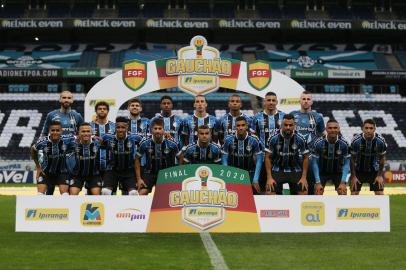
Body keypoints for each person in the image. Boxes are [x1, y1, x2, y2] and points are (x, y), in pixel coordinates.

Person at [41, 90, 83, 195]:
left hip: (70, 155)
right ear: (60, 99)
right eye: (64, 97)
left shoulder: (77, 116)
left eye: (69, 98)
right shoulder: (51, 115)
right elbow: (44, 133)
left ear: (72, 100)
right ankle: (46, 209)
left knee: (67, 187)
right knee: (49, 187)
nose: (66, 100)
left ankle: (68, 209)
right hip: (53, 154)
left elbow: (82, 133)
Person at [265, 114, 309, 195]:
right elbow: (267, 157)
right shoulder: (273, 137)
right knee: (270, 191)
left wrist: (303, 178)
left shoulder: (301, 138)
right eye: (285, 125)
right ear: (282, 125)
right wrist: (269, 177)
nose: (288, 127)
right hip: (277, 170)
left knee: (303, 191)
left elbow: (306, 157)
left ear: (294, 125)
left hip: (295, 170)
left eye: (290, 125)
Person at [290, 90, 325, 195]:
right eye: (303, 99)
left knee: (311, 187)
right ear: (300, 101)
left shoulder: (317, 117)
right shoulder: (292, 115)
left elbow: (324, 134)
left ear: (312, 102)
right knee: (295, 188)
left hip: (311, 158)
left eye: (308, 99)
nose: (306, 101)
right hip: (294, 157)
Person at [251, 91, 284, 192]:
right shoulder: (257, 117)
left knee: (276, 189)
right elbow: (253, 137)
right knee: (260, 187)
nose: (271, 102)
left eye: (273, 100)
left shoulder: (283, 117)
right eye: (268, 100)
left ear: (277, 102)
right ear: (264, 102)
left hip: (278, 159)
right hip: (261, 159)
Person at [135, 118, 179, 195]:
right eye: (155, 128)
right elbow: (137, 159)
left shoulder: (172, 144)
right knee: (142, 193)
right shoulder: (144, 143)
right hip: (149, 173)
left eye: (160, 128)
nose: (158, 131)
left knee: (163, 195)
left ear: (163, 130)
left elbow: (179, 160)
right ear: (151, 130)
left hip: (165, 174)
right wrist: (139, 179)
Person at [101, 117, 143, 196]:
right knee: (105, 192)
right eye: (118, 127)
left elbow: (147, 142)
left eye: (123, 127)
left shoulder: (135, 138)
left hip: (129, 171)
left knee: (133, 193)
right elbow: (96, 142)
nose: (120, 130)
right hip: (112, 170)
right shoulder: (107, 138)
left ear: (127, 127)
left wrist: (165, 135)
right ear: (115, 127)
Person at [222, 116, 263, 194]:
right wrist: (226, 176)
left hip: (249, 172)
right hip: (233, 173)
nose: (240, 128)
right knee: (233, 196)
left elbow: (259, 160)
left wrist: (255, 179)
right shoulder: (228, 139)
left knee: (253, 195)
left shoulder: (254, 139)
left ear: (247, 126)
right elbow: (224, 159)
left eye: (243, 125)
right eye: (238, 125)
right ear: (235, 127)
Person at [31, 121, 71, 195]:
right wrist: (38, 167)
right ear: (49, 131)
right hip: (45, 172)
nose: (55, 132)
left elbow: (81, 137)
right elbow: (33, 149)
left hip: (62, 172)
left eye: (57, 130)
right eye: (53, 130)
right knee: (40, 195)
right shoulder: (42, 142)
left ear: (61, 131)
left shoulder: (67, 140)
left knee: (65, 195)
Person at [311, 119, 350, 195]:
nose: (333, 130)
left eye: (335, 128)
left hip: (338, 172)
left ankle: (342, 207)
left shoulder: (344, 144)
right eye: (330, 128)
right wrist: (317, 181)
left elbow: (347, 163)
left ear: (339, 129)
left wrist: (343, 181)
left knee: (342, 191)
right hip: (322, 172)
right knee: (318, 191)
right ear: (326, 129)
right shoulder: (318, 143)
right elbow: (314, 163)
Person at [350, 119, 387, 195]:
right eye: (366, 128)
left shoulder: (380, 141)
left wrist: (379, 175)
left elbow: (382, 158)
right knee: (354, 194)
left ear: (374, 129)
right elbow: (352, 159)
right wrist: (353, 176)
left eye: (371, 128)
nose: (368, 130)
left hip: (375, 172)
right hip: (358, 171)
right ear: (362, 129)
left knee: (380, 194)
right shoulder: (356, 141)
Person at [66, 123, 103, 195]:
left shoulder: (98, 143)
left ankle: (89, 192)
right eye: (83, 131)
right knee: (72, 195)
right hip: (77, 175)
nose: (86, 133)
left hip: (94, 175)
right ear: (78, 133)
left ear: (91, 133)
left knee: (97, 196)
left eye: (88, 131)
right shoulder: (73, 144)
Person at [90, 101, 116, 193]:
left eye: (104, 109)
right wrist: (92, 137)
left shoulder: (114, 126)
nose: (102, 111)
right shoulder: (89, 126)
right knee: (92, 194)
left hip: (110, 165)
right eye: (99, 109)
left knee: (107, 193)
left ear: (108, 111)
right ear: (96, 111)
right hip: (93, 165)